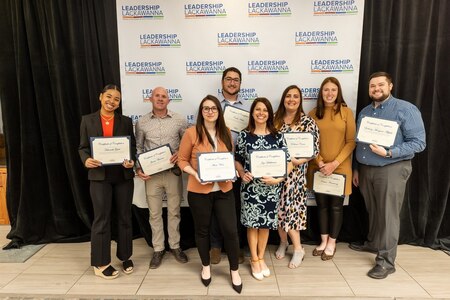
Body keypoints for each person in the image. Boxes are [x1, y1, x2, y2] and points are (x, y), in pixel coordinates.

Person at [350, 72, 426, 279]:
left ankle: (386, 261)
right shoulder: (365, 111)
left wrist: (390, 152)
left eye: (381, 85)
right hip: (366, 169)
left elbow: (419, 143)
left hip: (391, 167)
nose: (376, 89)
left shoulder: (405, 109)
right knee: (373, 210)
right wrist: (357, 167)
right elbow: (360, 142)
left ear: (390, 86)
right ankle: (374, 243)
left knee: (388, 214)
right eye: (372, 86)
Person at [178, 95, 242, 293]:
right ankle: (206, 267)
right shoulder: (191, 133)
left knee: (230, 231)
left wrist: (231, 173)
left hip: (224, 190)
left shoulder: (227, 132)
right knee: (202, 230)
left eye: (213, 108)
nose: (210, 111)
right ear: (201, 112)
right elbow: (181, 160)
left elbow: (228, 159)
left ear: (219, 111)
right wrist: (196, 173)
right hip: (199, 191)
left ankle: (234, 270)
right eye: (206, 108)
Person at [78, 84, 135, 279]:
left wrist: (131, 161)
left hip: (123, 177)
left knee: (125, 217)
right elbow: (83, 147)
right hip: (99, 177)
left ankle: (125, 256)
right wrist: (86, 159)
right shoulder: (87, 120)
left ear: (119, 103)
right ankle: (101, 263)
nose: (112, 101)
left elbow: (131, 147)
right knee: (101, 219)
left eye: (116, 99)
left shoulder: (126, 122)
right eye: (109, 97)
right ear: (100, 97)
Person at [235, 97, 293, 280]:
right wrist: (242, 172)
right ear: (252, 113)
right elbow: (237, 160)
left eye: (265, 110)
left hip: (270, 189)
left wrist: (279, 179)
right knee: (253, 225)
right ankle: (253, 259)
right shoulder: (244, 135)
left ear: (269, 114)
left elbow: (289, 162)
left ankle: (261, 258)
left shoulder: (277, 135)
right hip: (250, 189)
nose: (261, 113)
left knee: (266, 225)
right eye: (258, 109)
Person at [135, 86, 188, 269]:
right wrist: (138, 167)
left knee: (174, 211)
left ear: (168, 100)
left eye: (163, 96)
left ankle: (175, 246)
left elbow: (187, 144)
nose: (160, 99)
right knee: (154, 213)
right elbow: (138, 148)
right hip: (152, 176)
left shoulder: (180, 120)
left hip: (173, 173)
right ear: (150, 98)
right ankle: (158, 249)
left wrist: (179, 154)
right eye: (157, 96)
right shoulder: (141, 122)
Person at [307, 77, 356, 261]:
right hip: (318, 167)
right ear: (321, 93)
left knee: (335, 207)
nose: (329, 93)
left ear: (338, 92)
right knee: (321, 206)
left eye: (333, 90)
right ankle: (323, 240)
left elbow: (351, 142)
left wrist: (334, 164)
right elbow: (309, 142)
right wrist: (320, 163)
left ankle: (332, 243)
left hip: (340, 167)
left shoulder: (346, 112)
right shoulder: (313, 113)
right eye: (326, 90)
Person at [273, 85, 319, 268]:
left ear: (300, 101)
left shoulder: (308, 122)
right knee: (277, 212)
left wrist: (296, 161)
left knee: (292, 212)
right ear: (283, 99)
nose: (291, 99)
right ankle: (283, 242)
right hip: (276, 174)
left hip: (296, 176)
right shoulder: (275, 121)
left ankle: (298, 249)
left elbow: (314, 150)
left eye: (296, 97)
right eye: (288, 96)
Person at [210, 66, 251, 265]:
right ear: (222, 83)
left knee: (237, 208)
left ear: (240, 84)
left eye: (236, 79)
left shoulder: (248, 108)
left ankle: (236, 246)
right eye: (228, 79)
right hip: (217, 166)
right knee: (217, 208)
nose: (232, 82)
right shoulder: (213, 106)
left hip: (241, 167)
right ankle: (216, 246)